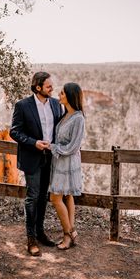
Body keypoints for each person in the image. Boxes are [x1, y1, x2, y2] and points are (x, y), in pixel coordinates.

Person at [10, 71, 62, 256]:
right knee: (32, 196)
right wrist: (34, 143)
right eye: (48, 86)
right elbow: (14, 132)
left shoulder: (56, 104)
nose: (52, 89)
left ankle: (40, 232)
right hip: (32, 157)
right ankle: (30, 238)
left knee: (42, 196)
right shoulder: (23, 105)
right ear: (38, 87)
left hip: (50, 158)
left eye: (51, 86)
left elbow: (61, 128)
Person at [48, 82, 85, 250]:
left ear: (70, 96)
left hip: (68, 163)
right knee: (67, 196)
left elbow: (73, 147)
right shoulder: (65, 115)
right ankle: (69, 235)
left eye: (62, 93)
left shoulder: (78, 118)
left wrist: (52, 147)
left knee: (55, 198)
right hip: (59, 162)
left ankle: (69, 233)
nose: (59, 95)